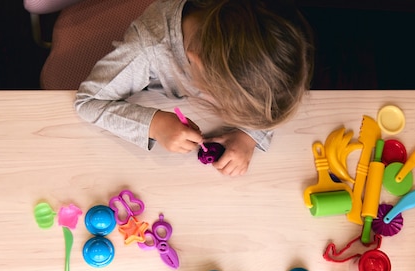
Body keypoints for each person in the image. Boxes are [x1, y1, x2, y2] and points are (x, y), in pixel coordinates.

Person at [75, 0, 313, 176]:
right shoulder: (148, 49)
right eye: (220, 100)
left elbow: (270, 94)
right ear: (195, 61)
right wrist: (155, 125)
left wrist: (250, 135)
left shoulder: (264, 21)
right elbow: (87, 102)